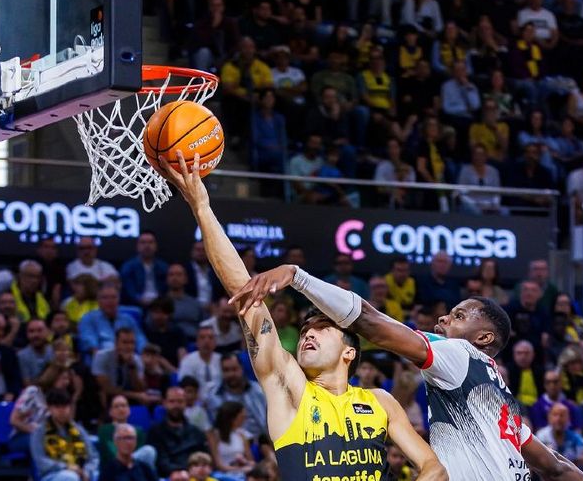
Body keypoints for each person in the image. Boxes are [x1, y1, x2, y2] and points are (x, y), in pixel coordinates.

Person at [158, 154, 446, 481]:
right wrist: (201, 208)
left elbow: (434, 468)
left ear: (349, 351)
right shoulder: (291, 388)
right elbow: (245, 295)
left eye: (322, 328)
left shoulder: (380, 401)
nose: (309, 334)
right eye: (306, 328)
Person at [232, 278, 583, 477]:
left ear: (483, 338)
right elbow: (556, 467)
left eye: (459, 316)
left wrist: (298, 277)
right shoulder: (501, 404)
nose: (443, 321)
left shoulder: (458, 353)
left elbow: (371, 322)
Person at [31, 389, 99, 481]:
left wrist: (86, 471)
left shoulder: (78, 429)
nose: (62, 411)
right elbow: (40, 461)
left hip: (81, 471)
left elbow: (93, 456)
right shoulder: (39, 432)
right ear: (50, 408)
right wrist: (66, 467)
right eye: (58, 407)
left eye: (65, 406)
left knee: (97, 475)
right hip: (52, 474)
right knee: (70, 477)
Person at [147, 387, 210, 477]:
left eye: (180, 401)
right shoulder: (155, 433)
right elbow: (161, 463)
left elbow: (204, 458)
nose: (176, 405)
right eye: (172, 401)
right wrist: (185, 472)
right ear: (164, 403)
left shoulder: (196, 432)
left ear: (185, 403)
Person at [204, 353, 268, 440]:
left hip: (264, 440)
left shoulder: (258, 390)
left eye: (234, 369)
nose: (230, 374)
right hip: (235, 445)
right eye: (226, 370)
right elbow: (220, 429)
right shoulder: (214, 396)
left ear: (242, 369)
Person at [92, 328, 160, 408]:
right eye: (125, 342)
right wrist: (135, 395)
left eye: (132, 343)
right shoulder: (102, 356)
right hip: (103, 397)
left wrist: (131, 367)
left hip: (126, 398)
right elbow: (107, 389)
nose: (129, 347)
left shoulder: (136, 360)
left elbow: (140, 389)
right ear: (116, 344)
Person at [78, 285, 147, 356]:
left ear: (119, 300)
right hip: (100, 360)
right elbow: (90, 344)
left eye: (113, 297)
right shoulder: (88, 319)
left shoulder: (128, 319)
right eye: (105, 298)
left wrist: (145, 354)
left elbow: (140, 340)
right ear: (98, 301)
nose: (110, 301)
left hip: (129, 359)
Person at [97, 394, 157, 469]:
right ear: (110, 412)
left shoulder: (138, 430)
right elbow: (111, 453)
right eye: (116, 406)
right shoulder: (104, 430)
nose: (121, 409)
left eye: (123, 406)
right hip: (113, 467)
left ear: (129, 410)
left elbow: (140, 454)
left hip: (135, 467)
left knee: (149, 451)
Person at [119, 231, 168, 308]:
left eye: (150, 242)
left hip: (160, 304)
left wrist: (159, 301)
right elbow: (129, 290)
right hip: (136, 304)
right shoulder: (128, 267)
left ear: (156, 246)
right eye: (143, 242)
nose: (147, 246)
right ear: (137, 246)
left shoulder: (163, 266)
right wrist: (141, 300)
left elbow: (166, 289)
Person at [208, 401, 255, 476]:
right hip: (223, 475)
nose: (244, 420)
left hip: (243, 473)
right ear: (232, 419)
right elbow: (218, 465)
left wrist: (245, 463)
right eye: (242, 417)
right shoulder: (214, 435)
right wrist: (239, 469)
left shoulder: (242, 435)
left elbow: (251, 461)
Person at [164, 264, 207, 341]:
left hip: (194, 342)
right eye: (171, 274)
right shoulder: (160, 304)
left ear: (186, 279)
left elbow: (205, 325)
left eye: (179, 275)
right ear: (166, 279)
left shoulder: (195, 304)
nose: (175, 278)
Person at [177, 326, 221, 391]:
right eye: (202, 338)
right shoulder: (188, 361)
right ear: (197, 342)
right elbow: (184, 386)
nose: (206, 341)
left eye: (210, 338)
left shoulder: (221, 360)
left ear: (215, 342)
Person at [18, 319, 53, 385]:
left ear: (48, 332)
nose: (35, 335)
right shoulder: (22, 356)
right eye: (31, 331)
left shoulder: (55, 352)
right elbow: (28, 385)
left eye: (40, 330)